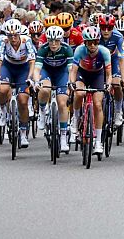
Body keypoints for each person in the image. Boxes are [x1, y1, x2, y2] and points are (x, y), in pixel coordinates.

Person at [0, 19, 35, 147]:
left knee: (23, 101)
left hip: (23, 68)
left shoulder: (26, 40)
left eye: (15, 35)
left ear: (19, 34)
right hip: (8, 67)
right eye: (10, 35)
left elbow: (32, 61)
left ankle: (23, 133)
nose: (13, 38)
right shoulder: (3, 42)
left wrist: (30, 77)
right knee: (3, 89)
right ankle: (2, 108)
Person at [70, 26, 112, 155]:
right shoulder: (79, 50)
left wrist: (108, 84)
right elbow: (73, 70)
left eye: (95, 42)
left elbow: (109, 73)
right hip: (83, 74)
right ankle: (75, 119)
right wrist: (72, 82)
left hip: (97, 75)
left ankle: (98, 141)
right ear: (85, 43)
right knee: (79, 93)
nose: (92, 45)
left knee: (98, 104)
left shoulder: (104, 52)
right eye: (89, 43)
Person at [32, 26, 73, 153]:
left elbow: (71, 69)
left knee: (62, 103)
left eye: (56, 41)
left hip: (62, 73)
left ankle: (63, 138)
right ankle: (43, 111)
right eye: (50, 41)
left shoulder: (67, 49)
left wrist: (71, 82)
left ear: (61, 40)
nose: (53, 44)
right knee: (44, 90)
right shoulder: (43, 49)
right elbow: (37, 69)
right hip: (47, 72)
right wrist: (36, 81)